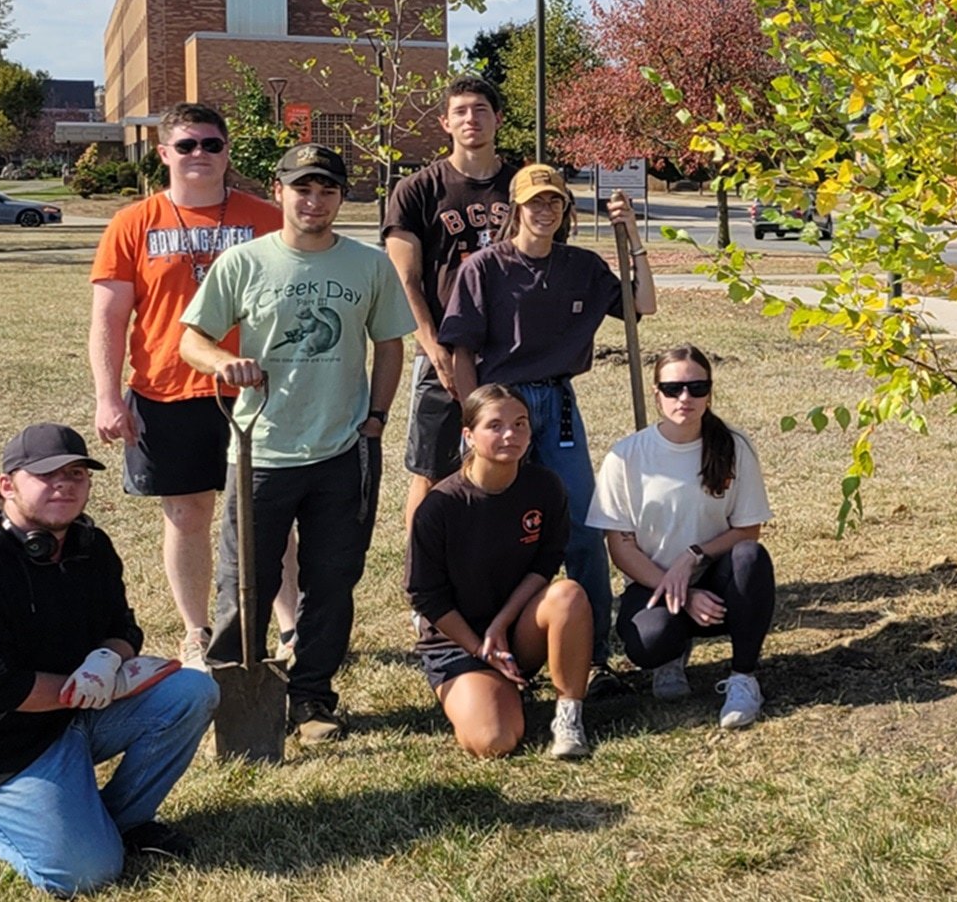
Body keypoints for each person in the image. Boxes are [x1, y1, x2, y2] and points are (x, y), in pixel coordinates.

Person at [179, 143, 414, 745]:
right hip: (261, 451)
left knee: (331, 582)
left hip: (344, 450)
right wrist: (223, 362)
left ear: (341, 197)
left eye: (327, 190)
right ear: (278, 191)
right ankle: (234, 698)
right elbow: (192, 339)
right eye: (303, 189)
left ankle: (311, 696)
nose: (315, 201)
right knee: (244, 583)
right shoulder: (243, 263)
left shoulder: (368, 265)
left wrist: (376, 419)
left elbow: (390, 344)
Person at [0, 425, 218, 896]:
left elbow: (124, 627)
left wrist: (108, 660)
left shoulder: (91, 545)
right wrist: (86, 690)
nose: (64, 485)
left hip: (72, 717)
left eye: (76, 474)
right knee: (85, 874)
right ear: (7, 485)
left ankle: (123, 821)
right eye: (46, 475)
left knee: (192, 691)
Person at [87, 102, 298, 668]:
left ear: (227, 152)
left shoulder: (267, 219)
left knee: (267, 515)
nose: (199, 154)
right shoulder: (134, 223)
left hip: (255, 391)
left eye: (211, 144)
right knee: (186, 516)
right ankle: (196, 631)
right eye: (186, 145)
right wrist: (108, 397)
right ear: (163, 154)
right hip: (166, 392)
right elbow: (109, 319)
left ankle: (290, 626)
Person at [438, 164, 655, 663]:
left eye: (555, 201)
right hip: (502, 404)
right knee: (497, 522)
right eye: (535, 201)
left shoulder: (582, 267)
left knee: (583, 522)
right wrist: (476, 419)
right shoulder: (484, 269)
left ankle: (593, 652)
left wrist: (633, 237)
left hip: (558, 405)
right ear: (515, 209)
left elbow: (642, 304)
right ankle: (489, 642)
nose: (545, 210)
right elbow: (462, 352)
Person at [589, 345, 776, 729]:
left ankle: (743, 678)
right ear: (656, 393)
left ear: (710, 392)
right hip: (653, 582)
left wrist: (693, 556)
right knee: (648, 642)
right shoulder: (626, 457)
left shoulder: (734, 447)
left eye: (696, 387)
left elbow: (747, 530)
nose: (685, 398)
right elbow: (620, 546)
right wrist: (682, 593)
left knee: (750, 558)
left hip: (717, 579)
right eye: (673, 389)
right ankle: (670, 657)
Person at [406, 385, 594, 760]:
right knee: (493, 741)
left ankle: (569, 717)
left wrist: (500, 625)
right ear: (468, 435)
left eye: (520, 424)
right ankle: (488, 687)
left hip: (516, 630)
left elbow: (545, 563)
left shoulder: (545, 486)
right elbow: (425, 595)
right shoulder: (440, 505)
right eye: (495, 425)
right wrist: (480, 647)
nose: (511, 434)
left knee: (568, 594)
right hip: (457, 643)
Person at [383, 74, 518, 535]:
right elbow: (405, 279)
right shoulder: (417, 189)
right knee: (432, 469)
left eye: (480, 109)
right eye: (459, 111)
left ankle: (493, 564)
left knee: (505, 463)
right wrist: (432, 346)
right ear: (444, 122)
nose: (470, 119)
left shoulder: (521, 187)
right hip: (442, 349)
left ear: (498, 118)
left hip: (508, 351)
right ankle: (422, 568)